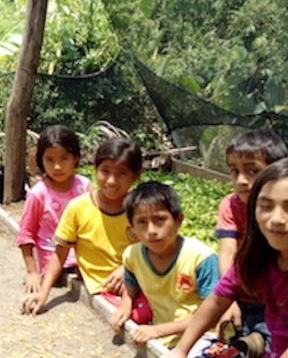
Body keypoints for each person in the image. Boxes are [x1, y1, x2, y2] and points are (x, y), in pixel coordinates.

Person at [166, 157, 288, 358]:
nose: (276, 219)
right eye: (266, 206)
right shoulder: (257, 259)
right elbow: (216, 302)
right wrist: (180, 351)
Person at [20, 137, 144, 315]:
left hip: (140, 280)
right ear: (96, 169)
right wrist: (43, 292)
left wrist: (128, 268)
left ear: (136, 175)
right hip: (104, 287)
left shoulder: (141, 209)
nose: (111, 181)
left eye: (121, 173)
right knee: (135, 317)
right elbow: (60, 253)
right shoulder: (79, 207)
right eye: (105, 171)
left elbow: (153, 249)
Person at [110, 181, 220, 352]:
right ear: (132, 229)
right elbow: (130, 288)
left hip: (205, 335)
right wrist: (126, 305)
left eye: (160, 219)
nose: (151, 230)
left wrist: (158, 330)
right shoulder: (132, 255)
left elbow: (212, 315)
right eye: (142, 222)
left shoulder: (201, 257)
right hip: (164, 338)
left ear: (178, 220)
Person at [215, 130, 288, 357]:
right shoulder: (230, 205)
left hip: (282, 298)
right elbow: (228, 253)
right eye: (234, 171)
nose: (241, 180)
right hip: (245, 295)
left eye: (253, 171)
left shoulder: (286, 208)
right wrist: (228, 302)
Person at [17, 125, 92, 293]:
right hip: (56, 266)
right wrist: (32, 272)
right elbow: (25, 234)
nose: (57, 167)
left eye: (64, 158)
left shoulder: (84, 186)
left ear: (76, 158)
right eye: (50, 160)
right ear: (41, 161)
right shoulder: (39, 194)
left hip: (85, 260)